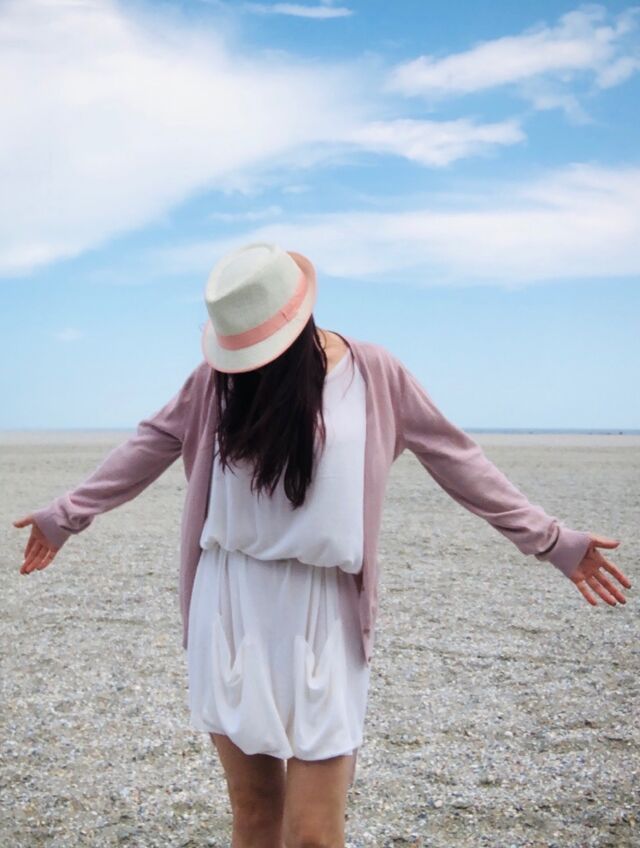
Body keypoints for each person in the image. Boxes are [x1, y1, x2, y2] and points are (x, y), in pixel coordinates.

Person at [14, 242, 632, 848]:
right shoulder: (214, 384)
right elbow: (145, 447)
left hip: (326, 609)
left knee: (313, 832)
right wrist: (64, 516)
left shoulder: (374, 374)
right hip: (230, 603)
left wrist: (552, 540)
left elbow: (458, 460)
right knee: (256, 815)